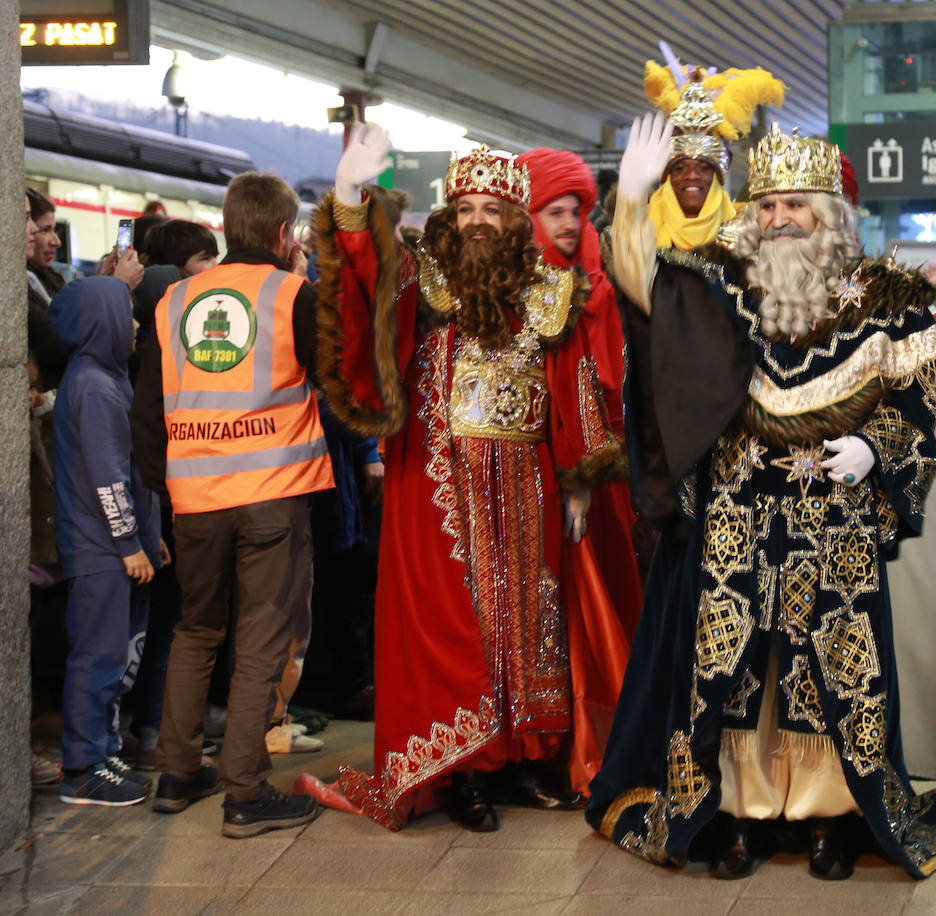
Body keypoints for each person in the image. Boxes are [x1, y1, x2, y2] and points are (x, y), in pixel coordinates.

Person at [588, 116, 936, 881]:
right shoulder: (716, 284)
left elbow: (919, 409)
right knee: (737, 668)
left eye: (794, 204)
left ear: (829, 212)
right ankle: (738, 816)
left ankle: (831, 818)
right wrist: (629, 203)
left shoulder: (888, 299)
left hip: (839, 523)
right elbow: (644, 295)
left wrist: (875, 449)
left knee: (832, 665)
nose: (777, 220)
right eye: (765, 206)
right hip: (736, 517)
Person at [303, 128, 628, 831]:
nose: (479, 220)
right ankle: (465, 772)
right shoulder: (423, 282)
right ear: (449, 218)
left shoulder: (548, 294)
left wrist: (581, 478)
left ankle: (519, 759)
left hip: (529, 482)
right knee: (464, 628)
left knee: (529, 621)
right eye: (467, 208)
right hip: (441, 484)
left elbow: (577, 384)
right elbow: (359, 282)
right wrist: (352, 198)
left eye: (494, 209)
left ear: (515, 221)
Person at [132, 170, 333, 838]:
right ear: (283, 234)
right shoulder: (291, 294)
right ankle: (245, 790)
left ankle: (177, 770)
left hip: (195, 500)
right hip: (272, 496)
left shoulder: (174, 302)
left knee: (195, 629)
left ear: (225, 224)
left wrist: (175, 482)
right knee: (262, 637)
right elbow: (331, 382)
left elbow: (147, 413)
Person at [516, 148, 644, 781]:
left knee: (601, 597)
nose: (569, 223)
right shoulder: (520, 289)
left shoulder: (593, 277)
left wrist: (591, 472)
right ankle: (560, 741)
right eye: (553, 210)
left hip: (594, 474)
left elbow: (600, 381)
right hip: (540, 471)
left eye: (576, 211)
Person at [50, 277, 166, 806]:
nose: (137, 324)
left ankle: (103, 749)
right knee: (98, 658)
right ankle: (83, 766)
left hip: (118, 547)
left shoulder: (105, 376)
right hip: (101, 551)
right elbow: (108, 478)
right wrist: (129, 544)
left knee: (117, 657)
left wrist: (150, 536)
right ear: (103, 322)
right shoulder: (94, 386)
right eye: (127, 313)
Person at [640, 60, 783, 250]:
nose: (691, 176)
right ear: (667, 174)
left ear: (719, 174)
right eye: (680, 167)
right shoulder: (639, 231)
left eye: (704, 167)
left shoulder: (749, 233)